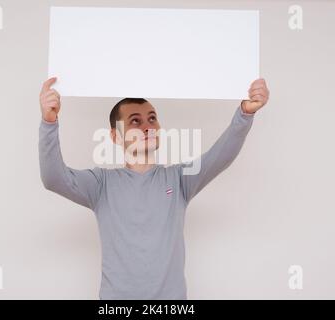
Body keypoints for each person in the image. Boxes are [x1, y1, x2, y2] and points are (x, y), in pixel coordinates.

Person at [38, 77, 269, 299]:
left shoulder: (179, 179)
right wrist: (49, 122)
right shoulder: (101, 184)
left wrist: (245, 113)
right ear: (115, 136)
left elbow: (220, 156)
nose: (148, 126)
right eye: (135, 121)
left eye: (152, 118)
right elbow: (53, 178)